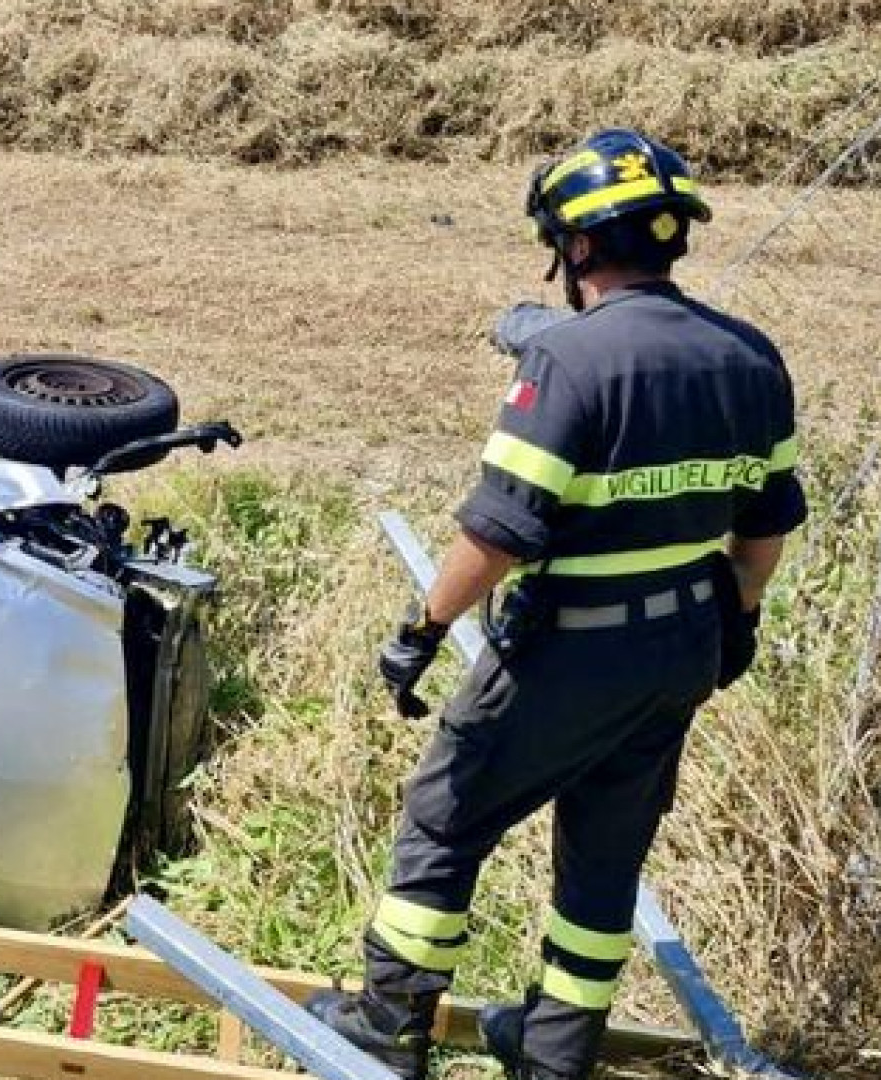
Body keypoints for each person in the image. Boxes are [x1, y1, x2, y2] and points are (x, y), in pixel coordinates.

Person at [308, 128, 806, 1080]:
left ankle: (388, 1023)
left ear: (576, 248)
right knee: (604, 859)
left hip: (568, 651)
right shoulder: (751, 356)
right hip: (680, 650)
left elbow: (498, 532)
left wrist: (422, 631)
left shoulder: (569, 365)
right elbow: (765, 526)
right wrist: (738, 619)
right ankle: (553, 1051)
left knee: (445, 819)